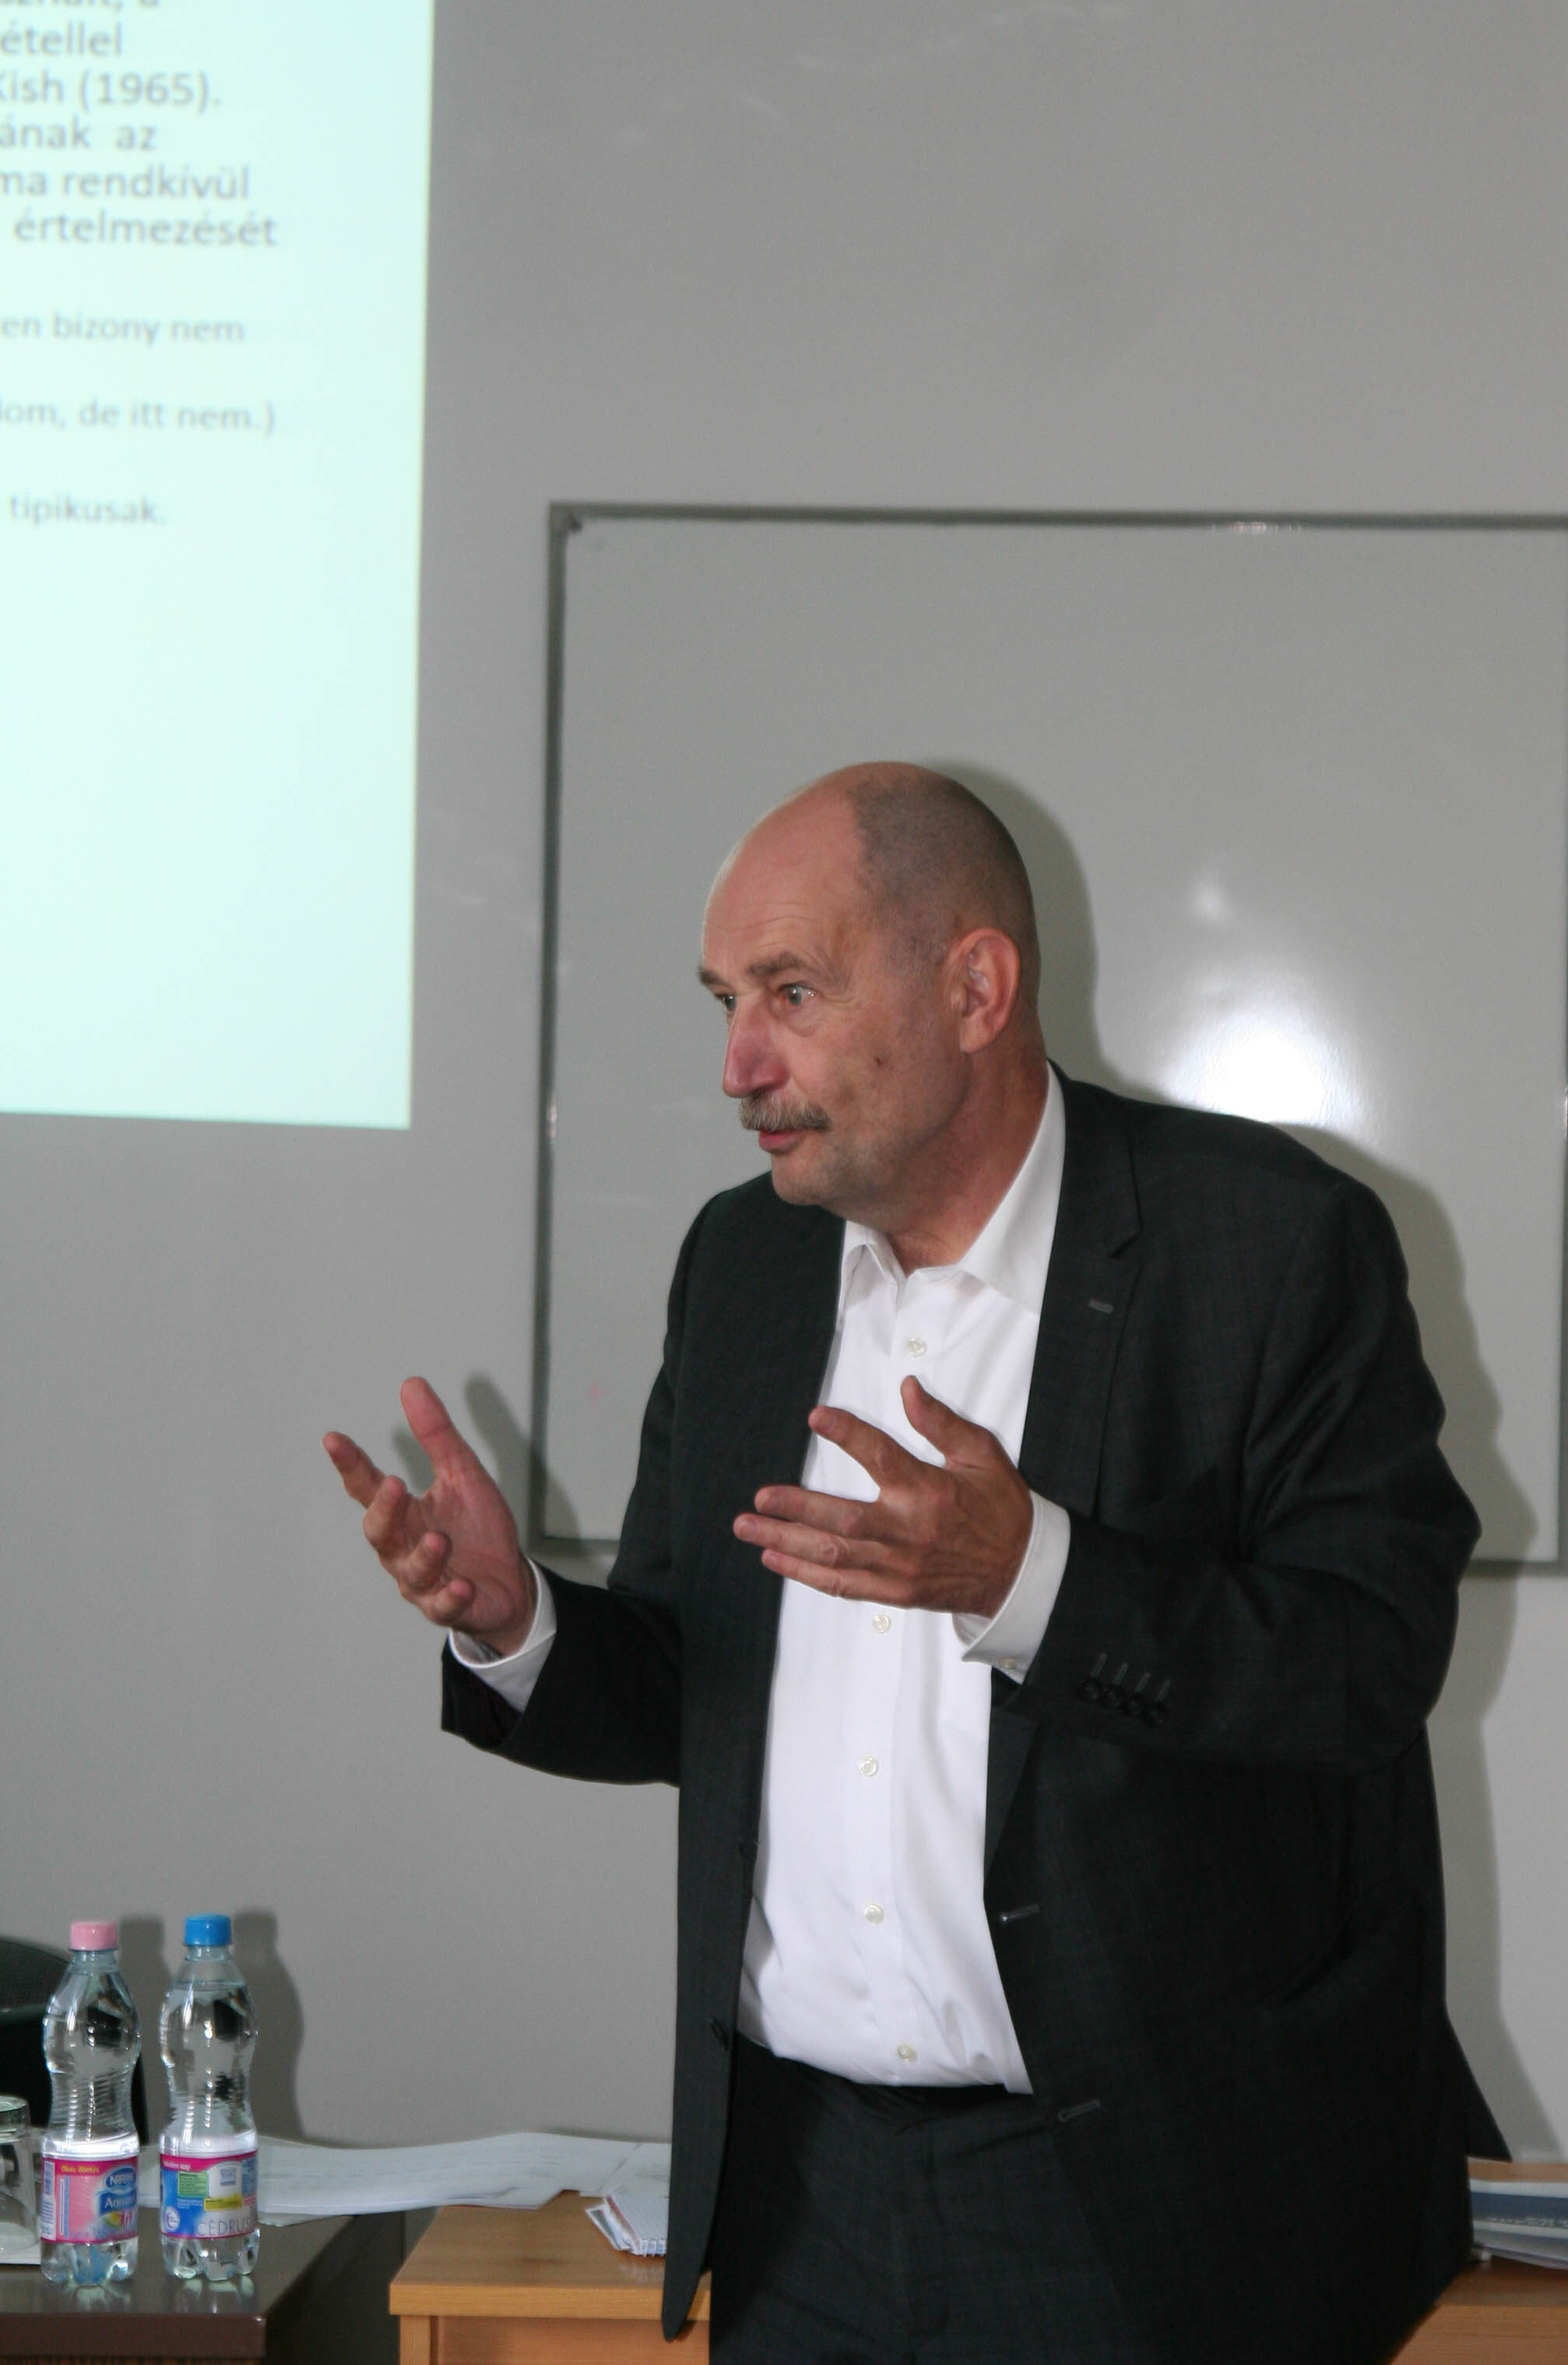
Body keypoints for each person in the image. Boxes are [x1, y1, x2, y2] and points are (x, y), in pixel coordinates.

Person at [326, 762, 1492, 2365]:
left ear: (976, 990)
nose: (739, 1065)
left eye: (791, 993)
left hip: (1151, 2212)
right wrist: (519, 1626)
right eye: (727, 1002)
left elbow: (1366, 1661)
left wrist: (1033, 1582)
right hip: (803, 2202)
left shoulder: (1269, 1244)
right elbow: (692, 1682)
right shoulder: (743, 1263)